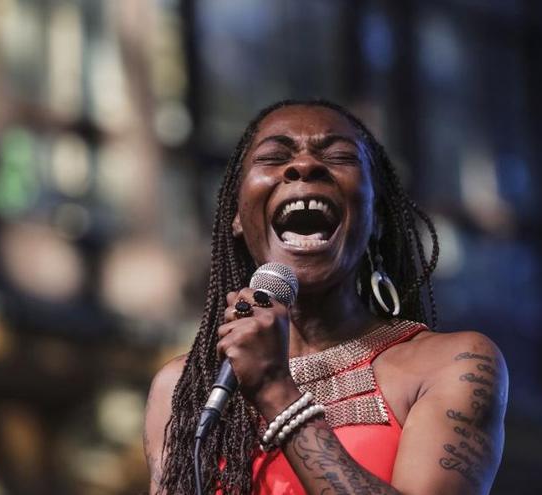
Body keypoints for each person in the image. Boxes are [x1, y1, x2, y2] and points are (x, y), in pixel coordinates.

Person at [143, 100, 508, 494]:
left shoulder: (456, 363)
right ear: (237, 215)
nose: (304, 167)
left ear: (377, 219)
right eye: (273, 157)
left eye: (338, 156)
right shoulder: (185, 386)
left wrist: (276, 392)